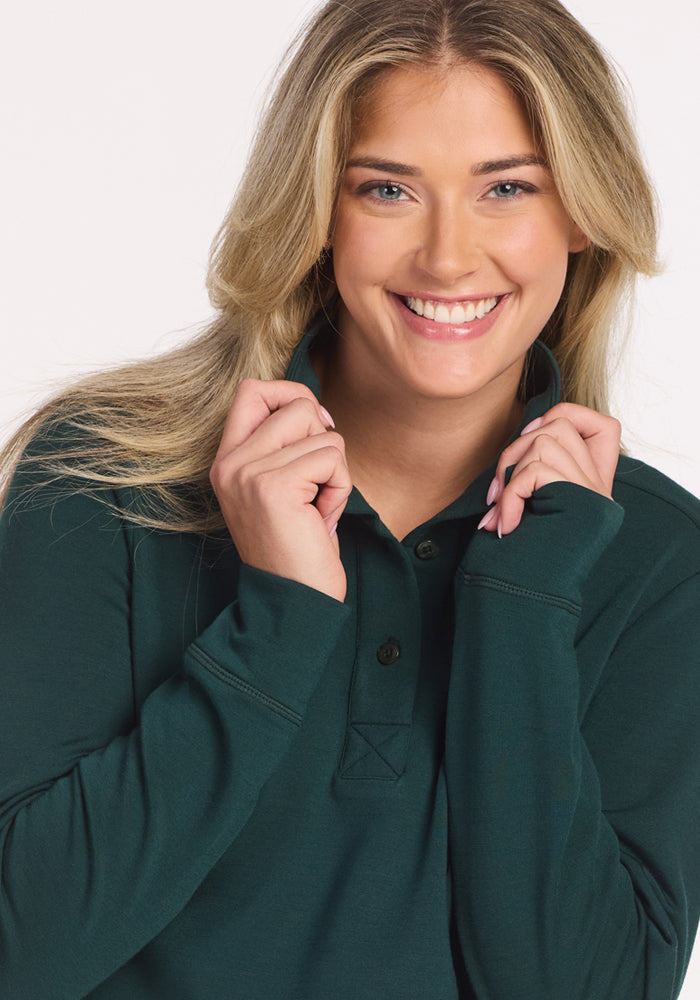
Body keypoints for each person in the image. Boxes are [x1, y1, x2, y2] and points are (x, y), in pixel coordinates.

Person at [1, 0, 698, 997]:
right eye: (386, 189)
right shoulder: (107, 479)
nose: (449, 256)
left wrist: (522, 611)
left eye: (506, 187)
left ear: (581, 212)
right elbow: (20, 954)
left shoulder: (659, 558)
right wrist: (277, 620)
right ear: (316, 209)